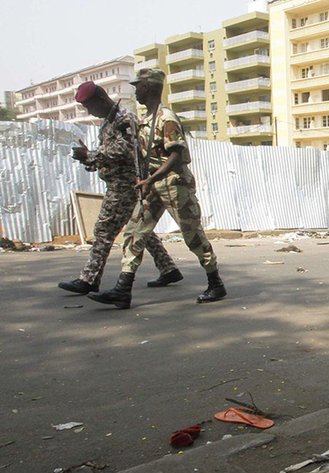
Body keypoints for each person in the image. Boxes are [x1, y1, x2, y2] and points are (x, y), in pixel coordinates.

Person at [89, 68, 226, 309]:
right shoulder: (145, 120)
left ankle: (215, 283)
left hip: (174, 184)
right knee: (134, 232)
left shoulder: (166, 118)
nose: (135, 91)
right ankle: (123, 289)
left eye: (138, 86)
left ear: (148, 87)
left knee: (192, 235)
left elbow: (177, 155)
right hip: (152, 185)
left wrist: (151, 179)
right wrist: (146, 180)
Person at [59, 81, 181, 295]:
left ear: (101, 99)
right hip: (121, 183)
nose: (89, 111)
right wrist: (90, 159)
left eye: (89, 106)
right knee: (140, 229)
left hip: (125, 185)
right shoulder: (109, 122)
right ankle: (168, 268)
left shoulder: (124, 119)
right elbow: (110, 154)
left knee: (103, 230)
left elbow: (126, 149)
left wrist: (92, 155)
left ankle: (89, 279)